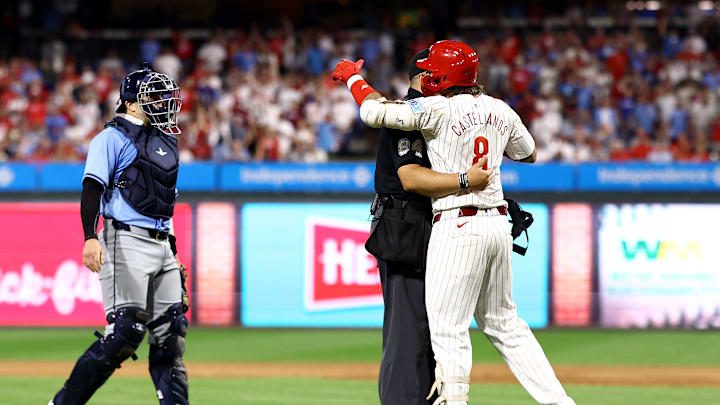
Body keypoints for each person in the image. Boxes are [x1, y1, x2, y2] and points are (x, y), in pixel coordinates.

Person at [333, 40, 575, 405]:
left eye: (432, 69)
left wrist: (354, 79)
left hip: (457, 224)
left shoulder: (434, 109)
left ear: (441, 75)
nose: (427, 74)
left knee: (448, 331)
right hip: (497, 222)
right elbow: (528, 153)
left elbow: (374, 113)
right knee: (507, 326)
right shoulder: (500, 108)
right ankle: (559, 402)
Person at [49, 62, 189, 405]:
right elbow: (92, 188)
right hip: (125, 239)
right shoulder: (110, 137)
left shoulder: (165, 141)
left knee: (171, 335)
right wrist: (89, 236)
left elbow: (162, 205)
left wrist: (172, 252)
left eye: (162, 95)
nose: (161, 101)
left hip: (160, 243)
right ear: (130, 103)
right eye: (152, 96)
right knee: (125, 332)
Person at [366, 49, 492, 405]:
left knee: (440, 332)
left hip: (439, 228)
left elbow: (374, 101)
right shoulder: (408, 114)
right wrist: (468, 180)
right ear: (425, 78)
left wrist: (354, 82)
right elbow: (410, 177)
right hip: (405, 228)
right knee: (408, 334)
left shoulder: (438, 114)